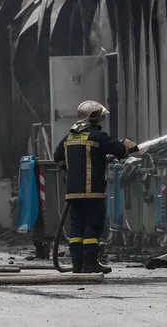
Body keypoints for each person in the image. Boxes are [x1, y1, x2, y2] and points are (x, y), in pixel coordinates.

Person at [52, 100, 140, 274]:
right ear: (94, 117)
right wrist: (127, 146)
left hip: (73, 192)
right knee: (93, 226)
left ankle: (77, 264)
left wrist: (72, 169)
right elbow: (120, 150)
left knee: (77, 227)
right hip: (92, 191)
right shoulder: (97, 136)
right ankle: (90, 263)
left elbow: (58, 157)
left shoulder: (69, 137)